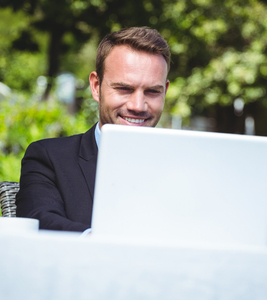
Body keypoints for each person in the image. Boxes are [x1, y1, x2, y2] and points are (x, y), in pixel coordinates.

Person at [15, 27, 171, 231]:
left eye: (152, 91)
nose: (137, 106)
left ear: (165, 91)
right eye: (124, 89)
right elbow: (39, 221)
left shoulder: (190, 168)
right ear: (96, 86)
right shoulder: (49, 159)